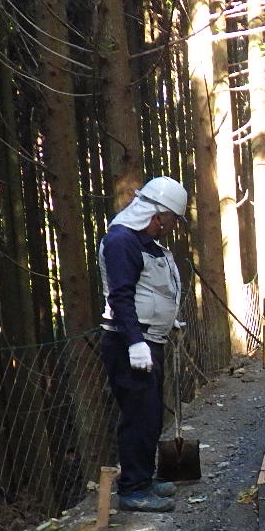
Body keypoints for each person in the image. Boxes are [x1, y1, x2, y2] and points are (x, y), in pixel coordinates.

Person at [98, 176, 187, 512]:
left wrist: (167, 322)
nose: (171, 227)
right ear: (158, 214)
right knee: (137, 415)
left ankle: (144, 478)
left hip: (151, 340)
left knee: (150, 414)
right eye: (171, 220)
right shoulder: (121, 241)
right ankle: (133, 489)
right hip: (129, 345)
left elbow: (151, 290)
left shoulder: (146, 243)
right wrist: (135, 342)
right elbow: (120, 296)